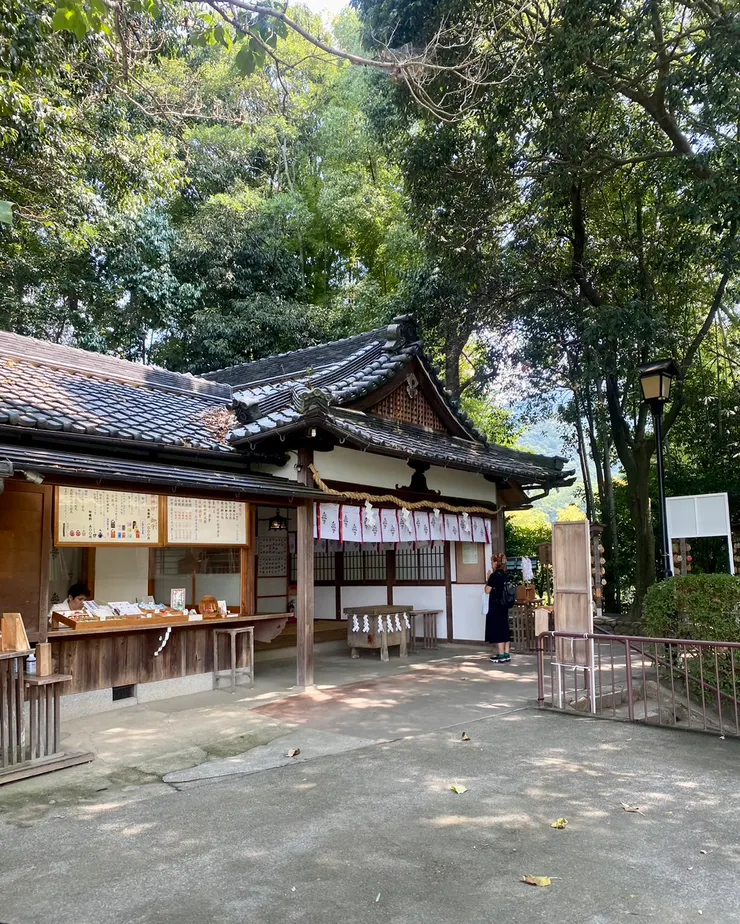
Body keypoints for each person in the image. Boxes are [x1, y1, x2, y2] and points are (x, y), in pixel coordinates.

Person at [484, 554, 512, 663]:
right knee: (504, 627)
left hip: (496, 605)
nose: (492, 564)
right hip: (504, 605)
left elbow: (487, 590)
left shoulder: (494, 576)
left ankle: (501, 654)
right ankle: (506, 653)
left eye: (492, 562)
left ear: (496, 563)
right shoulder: (506, 575)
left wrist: (488, 579)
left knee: (498, 628)